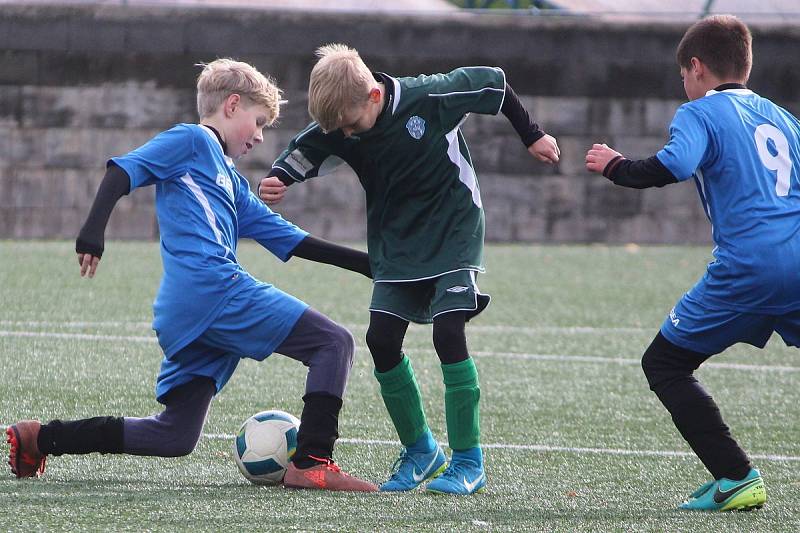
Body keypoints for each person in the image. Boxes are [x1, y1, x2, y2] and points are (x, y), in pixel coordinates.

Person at [6, 58, 377, 492]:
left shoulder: (230, 180)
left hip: (188, 312)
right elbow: (122, 170)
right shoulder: (193, 141)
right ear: (232, 105)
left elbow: (291, 239)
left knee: (175, 436)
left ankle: (43, 437)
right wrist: (92, 231)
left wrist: (369, 265)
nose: (259, 137)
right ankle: (312, 461)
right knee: (334, 342)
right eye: (257, 123)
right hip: (214, 290)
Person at [259, 44, 560, 495]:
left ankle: (467, 461)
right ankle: (421, 450)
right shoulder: (344, 118)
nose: (345, 132)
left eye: (350, 123)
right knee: (380, 338)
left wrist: (532, 134)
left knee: (448, 332)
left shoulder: (429, 97)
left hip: (454, 228)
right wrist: (281, 176)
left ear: (375, 97)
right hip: (395, 239)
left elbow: (493, 82)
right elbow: (309, 145)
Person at [585, 15, 800, 511]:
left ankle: (736, 476)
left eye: (684, 74)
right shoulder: (781, 117)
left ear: (697, 67)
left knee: (664, 363)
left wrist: (616, 166)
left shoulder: (700, 112)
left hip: (749, 266)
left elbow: (676, 165)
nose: (684, 84)